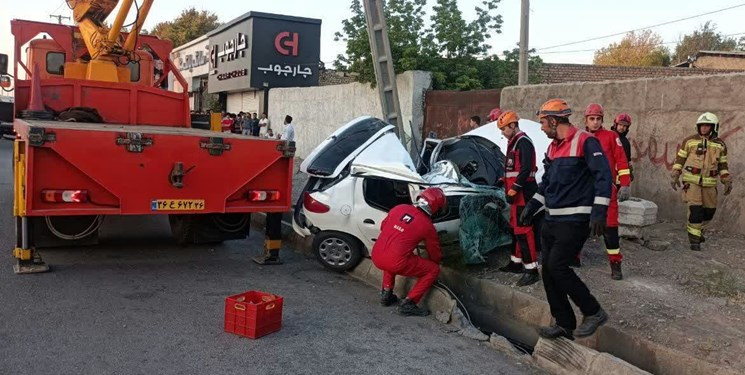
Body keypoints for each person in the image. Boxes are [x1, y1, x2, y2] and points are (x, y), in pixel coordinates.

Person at [520, 98, 611, 340]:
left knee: (557, 266)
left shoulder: (586, 142)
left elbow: (604, 175)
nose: (541, 127)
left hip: (574, 220)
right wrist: (532, 205)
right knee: (548, 271)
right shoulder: (552, 148)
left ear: (553, 120)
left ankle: (593, 311)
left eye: (542, 122)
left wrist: (600, 211)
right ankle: (564, 323)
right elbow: (547, 183)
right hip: (552, 220)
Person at [371, 187, 446, 317]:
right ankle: (409, 304)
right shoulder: (427, 226)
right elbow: (434, 253)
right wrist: (435, 263)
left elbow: (383, 226)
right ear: (435, 208)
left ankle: (386, 293)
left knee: (392, 254)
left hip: (376, 254)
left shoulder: (399, 208)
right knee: (433, 270)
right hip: (395, 261)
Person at [671, 112, 733, 251]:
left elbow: (722, 165)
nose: (704, 128)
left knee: (709, 211)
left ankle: (698, 232)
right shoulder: (689, 141)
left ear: (714, 127)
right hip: (691, 182)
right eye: (701, 126)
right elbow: (680, 159)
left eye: (707, 126)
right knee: (695, 210)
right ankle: (694, 242)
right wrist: (675, 173)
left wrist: (726, 179)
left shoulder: (720, 145)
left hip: (710, 183)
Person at [583, 104, 631, 280]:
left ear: (602, 120)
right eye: (592, 119)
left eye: (598, 119)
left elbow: (622, 161)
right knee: (579, 225)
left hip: (606, 189)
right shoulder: (580, 138)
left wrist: (624, 184)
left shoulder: (611, 137)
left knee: (610, 229)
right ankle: (574, 258)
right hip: (585, 190)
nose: (595, 122)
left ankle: (615, 263)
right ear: (586, 120)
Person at [495, 110, 540, 287]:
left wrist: (514, 188)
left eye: (503, 128)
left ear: (513, 126)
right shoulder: (514, 143)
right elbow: (515, 169)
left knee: (524, 230)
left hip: (524, 193)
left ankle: (531, 270)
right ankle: (516, 262)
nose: (502, 133)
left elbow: (526, 169)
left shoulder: (523, 142)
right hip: (516, 194)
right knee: (516, 228)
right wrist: (504, 181)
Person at [611, 113, 633, 185]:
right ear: (616, 125)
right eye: (620, 125)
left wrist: (630, 172)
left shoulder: (626, 142)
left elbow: (627, 160)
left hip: (618, 178)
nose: (622, 127)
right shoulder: (609, 136)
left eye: (624, 126)